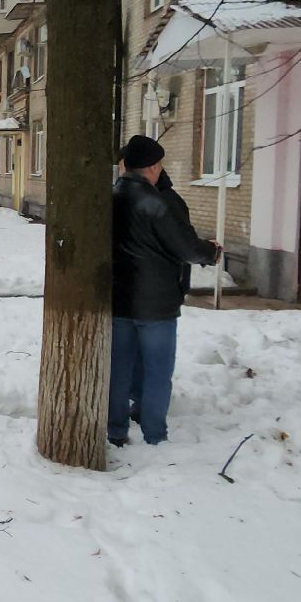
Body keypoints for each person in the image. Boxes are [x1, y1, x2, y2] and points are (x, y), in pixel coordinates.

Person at [108, 135, 220, 448]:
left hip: (118, 301)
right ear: (154, 167)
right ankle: (154, 435)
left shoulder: (110, 198)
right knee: (157, 371)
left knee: (118, 370)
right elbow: (186, 247)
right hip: (156, 306)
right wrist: (210, 251)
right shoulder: (157, 203)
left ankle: (116, 431)